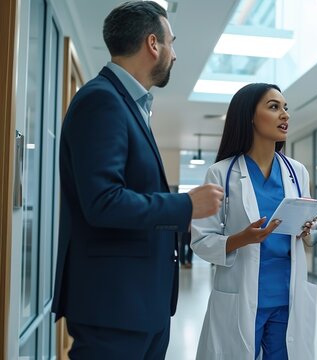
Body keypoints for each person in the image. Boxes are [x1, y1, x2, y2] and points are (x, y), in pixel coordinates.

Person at [52, 2, 224, 358]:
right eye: (171, 43)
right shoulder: (101, 100)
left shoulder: (129, 105)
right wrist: (186, 204)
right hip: (114, 308)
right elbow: (103, 202)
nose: (174, 55)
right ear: (152, 44)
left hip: (141, 305)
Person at [191, 83, 317, 360]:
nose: (284, 115)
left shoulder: (297, 173)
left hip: (287, 296)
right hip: (241, 294)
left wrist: (307, 229)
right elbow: (200, 241)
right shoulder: (221, 173)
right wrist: (242, 238)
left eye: (285, 108)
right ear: (248, 116)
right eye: (274, 107)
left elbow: (305, 230)